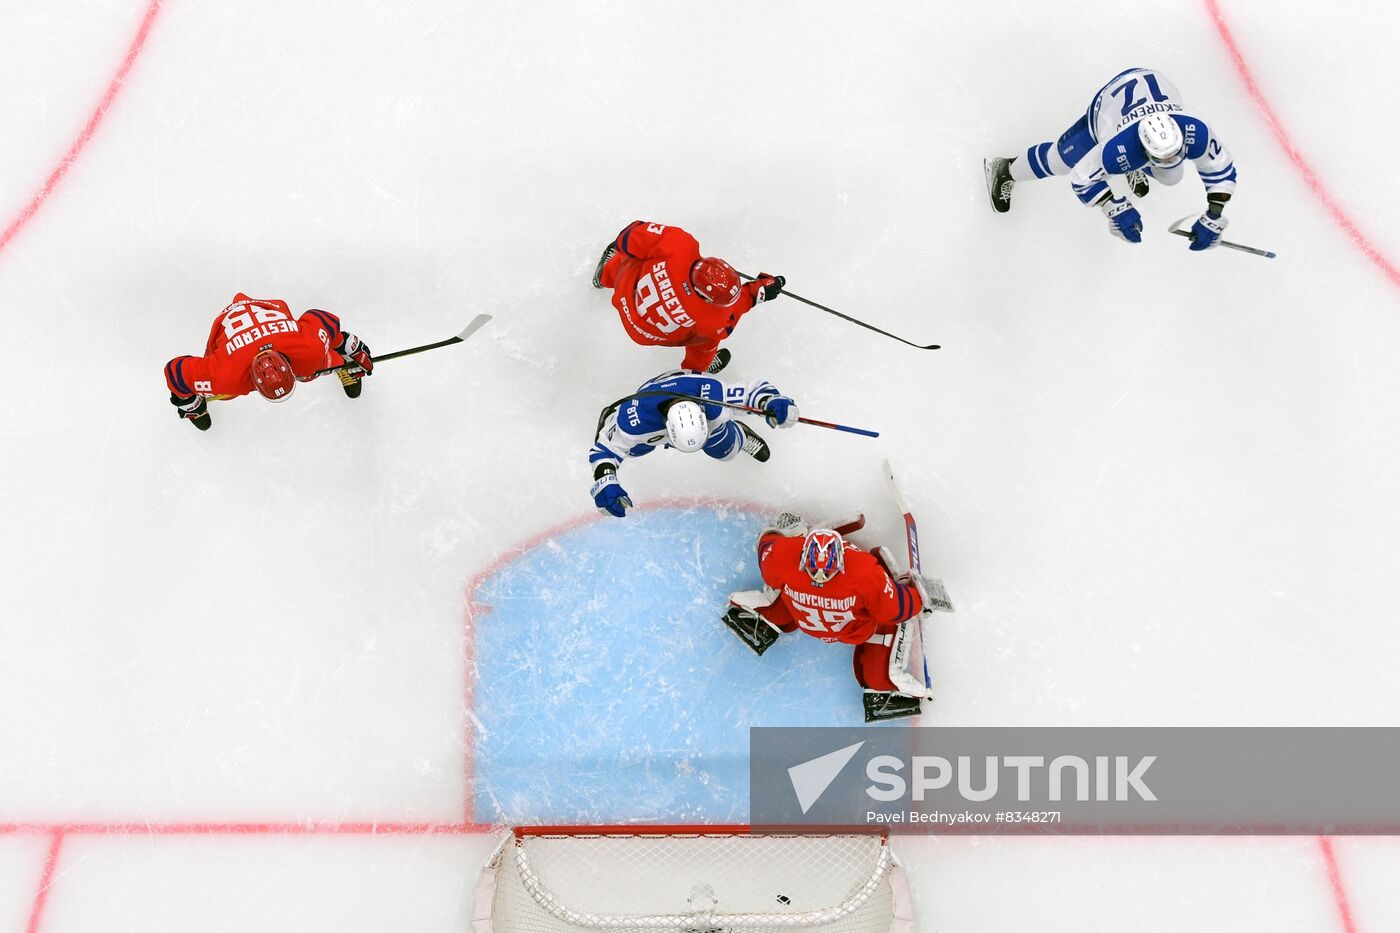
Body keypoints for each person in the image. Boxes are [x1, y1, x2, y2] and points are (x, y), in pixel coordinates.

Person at [984, 67, 1238, 250]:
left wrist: (1214, 215)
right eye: (1161, 155)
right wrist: (1113, 208)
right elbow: (1081, 177)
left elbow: (1220, 169)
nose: (1172, 158)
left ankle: (1132, 166)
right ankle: (1006, 169)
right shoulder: (1116, 147)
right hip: (1108, 109)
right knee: (1061, 161)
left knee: (1170, 177)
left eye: (1174, 151)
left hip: (1149, 98)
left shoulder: (1196, 131)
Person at [724, 513, 941, 722]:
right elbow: (896, 609)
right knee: (890, 617)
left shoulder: (783, 558)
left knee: (783, 587)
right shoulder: (863, 573)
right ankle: (882, 685)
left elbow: (765, 546)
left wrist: (784, 533)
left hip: (803, 618)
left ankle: (764, 620)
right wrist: (918, 595)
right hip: (853, 630)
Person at [588, 370, 799, 517]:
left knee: (724, 451)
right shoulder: (633, 421)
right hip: (658, 397)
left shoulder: (712, 394)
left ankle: (740, 435)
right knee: (634, 451)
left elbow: (753, 391)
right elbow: (605, 449)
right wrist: (605, 482)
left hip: (696, 395)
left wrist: (773, 401)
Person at [592, 220, 785, 374]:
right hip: (643, 333)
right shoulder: (711, 318)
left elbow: (629, 235)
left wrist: (627, 248)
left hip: (625, 295)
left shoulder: (680, 245)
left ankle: (604, 275)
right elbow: (737, 308)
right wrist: (758, 290)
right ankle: (694, 371)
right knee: (707, 340)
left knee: (638, 256)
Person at [163, 293, 373, 430]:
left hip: (266, 313)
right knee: (226, 394)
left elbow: (175, 371)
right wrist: (346, 345)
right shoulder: (225, 375)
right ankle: (338, 360)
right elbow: (175, 372)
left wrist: (344, 345)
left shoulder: (307, 348)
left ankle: (340, 363)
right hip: (227, 327)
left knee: (311, 367)